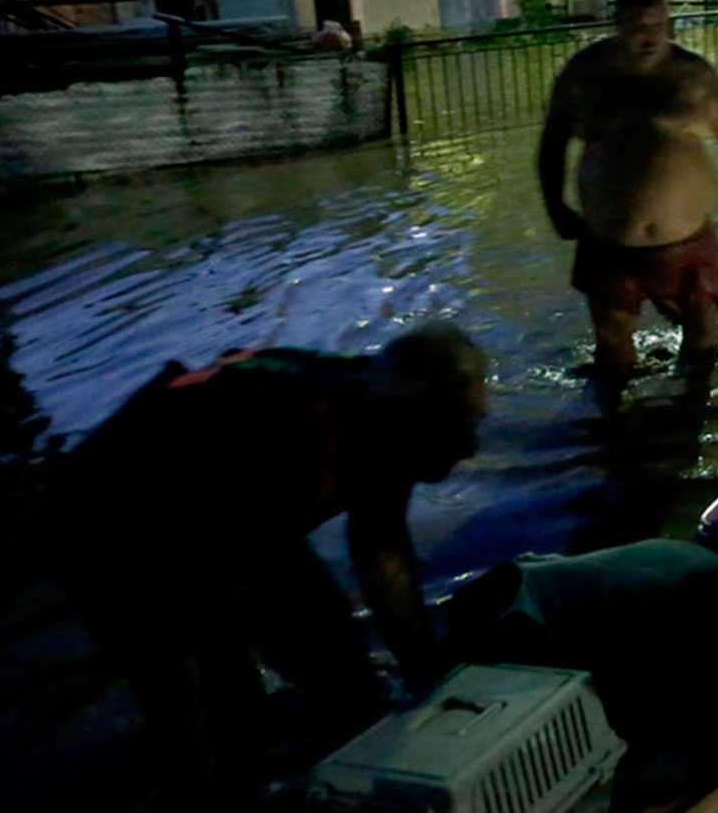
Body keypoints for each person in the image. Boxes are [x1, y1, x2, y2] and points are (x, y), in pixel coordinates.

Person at [47, 322, 489, 811]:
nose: (472, 448)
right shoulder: (282, 433)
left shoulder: (387, 417)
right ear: (410, 427)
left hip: (242, 514)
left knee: (345, 672)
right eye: (460, 429)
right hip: (112, 526)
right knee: (225, 712)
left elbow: (382, 550)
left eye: (475, 424)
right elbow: (188, 624)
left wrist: (430, 678)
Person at [538, 0, 718, 412]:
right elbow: (552, 144)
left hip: (686, 241)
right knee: (612, 351)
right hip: (607, 241)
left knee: (704, 338)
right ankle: (612, 441)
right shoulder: (585, 75)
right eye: (636, 26)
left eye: (657, 24)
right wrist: (554, 204)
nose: (649, 37)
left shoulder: (693, 75)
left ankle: (694, 425)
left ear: (668, 23)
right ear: (616, 24)